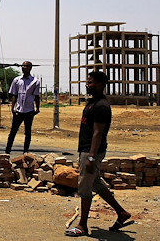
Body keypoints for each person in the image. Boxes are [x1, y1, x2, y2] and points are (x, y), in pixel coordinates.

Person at [65, 71, 131, 237]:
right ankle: (121, 213)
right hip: (88, 150)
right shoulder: (93, 103)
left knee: (84, 187)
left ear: (101, 84)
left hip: (91, 151)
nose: (87, 85)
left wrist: (91, 157)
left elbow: (98, 132)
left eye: (91, 82)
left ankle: (82, 225)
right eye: (87, 82)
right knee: (96, 184)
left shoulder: (101, 106)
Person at [5, 61, 40, 154]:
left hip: (29, 110)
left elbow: (36, 96)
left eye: (26, 66)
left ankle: (26, 152)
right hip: (18, 110)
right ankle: (7, 150)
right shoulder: (17, 80)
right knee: (13, 131)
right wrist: (13, 107)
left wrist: (38, 108)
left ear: (30, 68)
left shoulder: (35, 81)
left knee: (28, 132)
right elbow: (14, 94)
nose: (23, 67)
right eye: (23, 66)